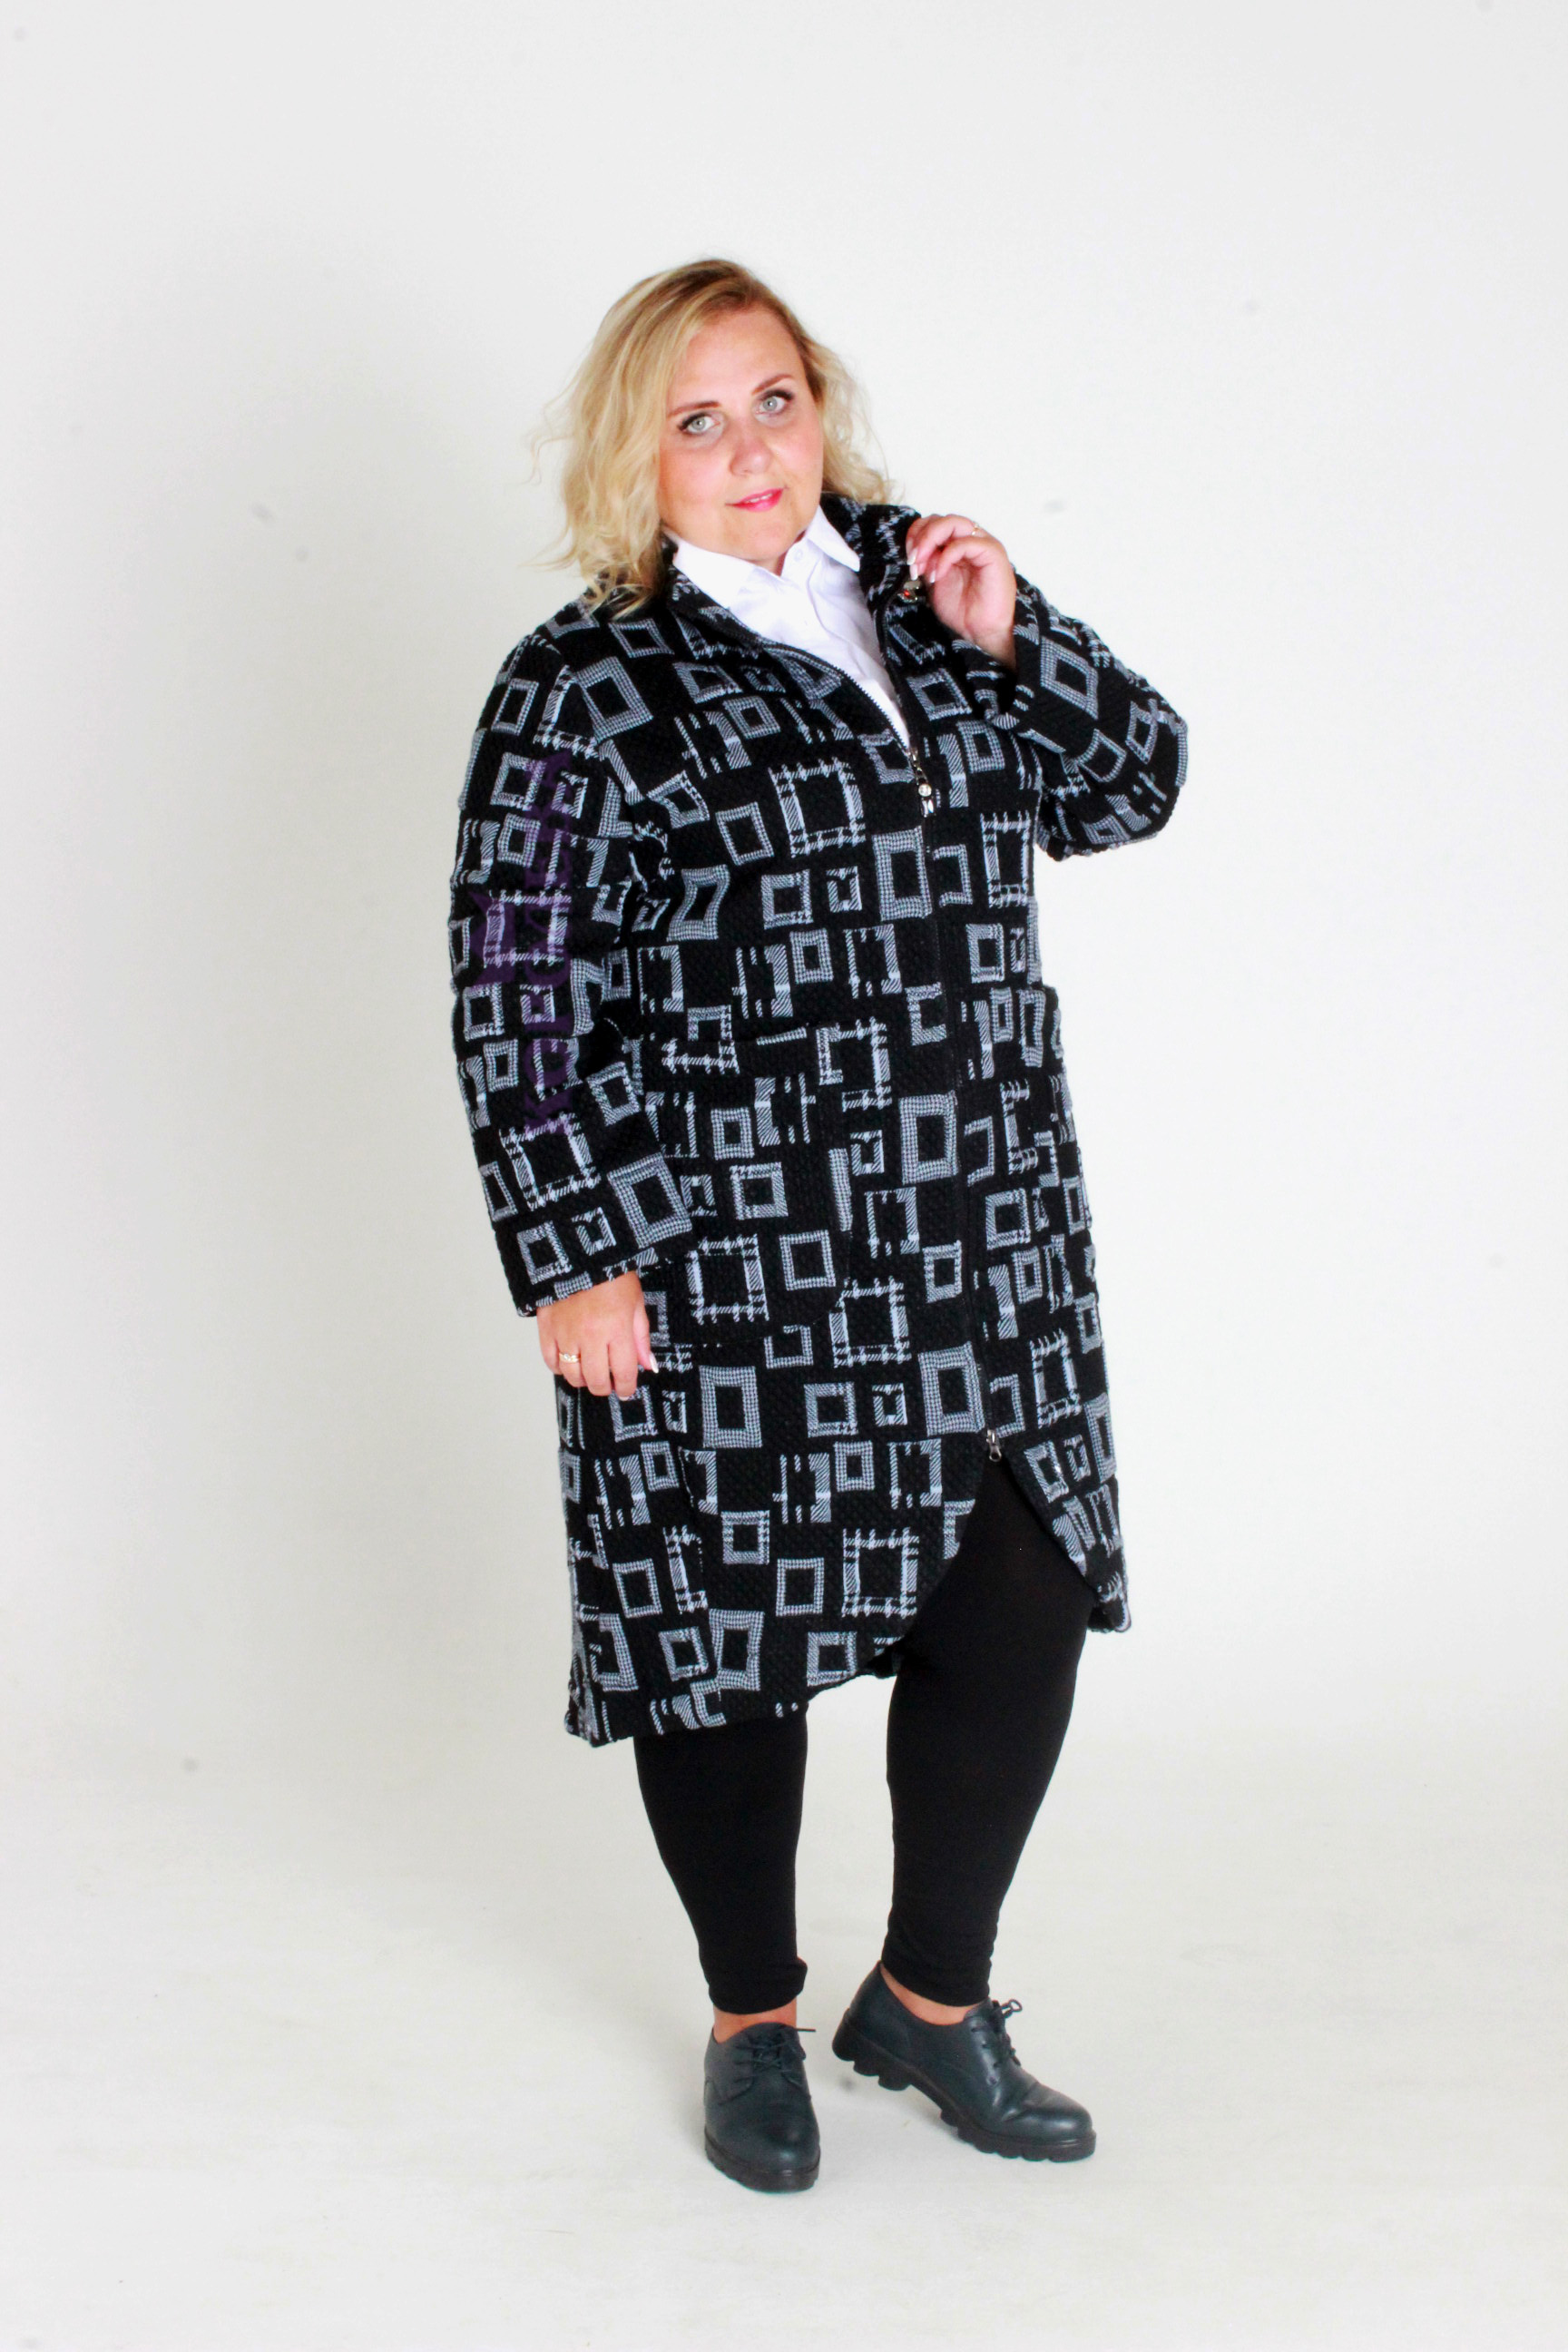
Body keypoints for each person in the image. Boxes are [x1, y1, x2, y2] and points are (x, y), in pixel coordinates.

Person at [448, 258, 1187, 2194]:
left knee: (1020, 1590)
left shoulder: (930, 603)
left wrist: (1020, 631)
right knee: (731, 1633)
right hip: (733, 1245)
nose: (750, 448)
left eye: (773, 400)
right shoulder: (585, 683)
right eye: (696, 420)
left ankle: (930, 2001)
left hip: (980, 1225)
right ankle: (752, 2018)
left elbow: (1136, 784)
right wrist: (575, 1253)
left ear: (821, 405)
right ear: (637, 457)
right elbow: (514, 984)